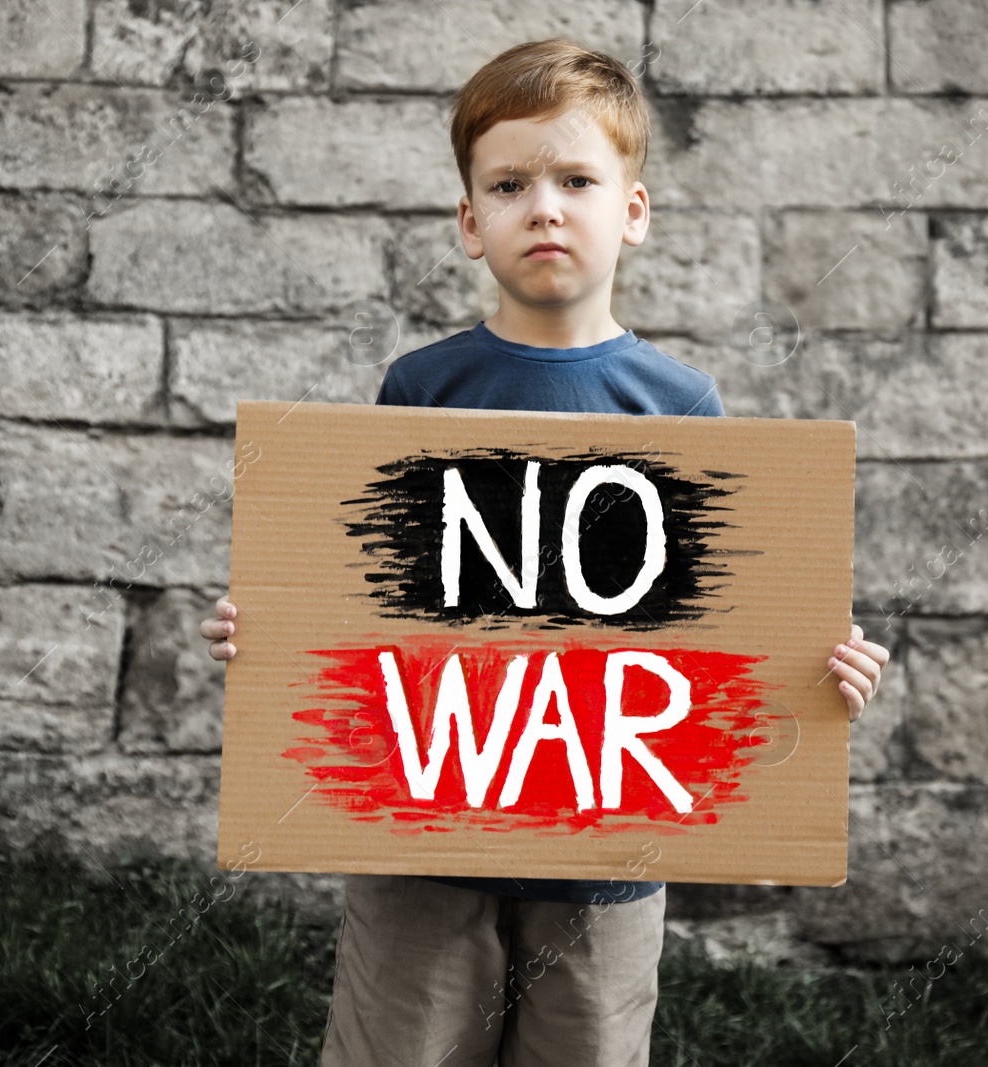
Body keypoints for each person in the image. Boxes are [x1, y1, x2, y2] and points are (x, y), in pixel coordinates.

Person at [198, 37, 889, 1066]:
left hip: (610, 853)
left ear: (633, 211)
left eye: (577, 179)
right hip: (422, 846)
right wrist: (272, 631)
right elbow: (365, 589)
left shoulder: (684, 408)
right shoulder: (419, 389)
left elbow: (722, 614)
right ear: (472, 222)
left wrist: (821, 665)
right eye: (511, 184)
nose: (547, 206)